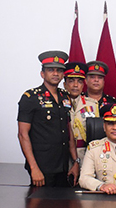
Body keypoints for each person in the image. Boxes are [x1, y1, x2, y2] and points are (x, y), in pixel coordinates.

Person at [17, 50, 79, 187]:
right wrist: (34, 168)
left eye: (59, 70)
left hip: (63, 165)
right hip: (42, 166)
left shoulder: (65, 96)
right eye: (51, 70)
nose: (55, 73)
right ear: (42, 73)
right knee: (40, 200)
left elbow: (69, 130)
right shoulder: (31, 97)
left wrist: (76, 162)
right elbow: (22, 134)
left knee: (64, 200)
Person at [64, 62, 91, 163]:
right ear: (65, 84)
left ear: (83, 85)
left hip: (86, 155)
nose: (75, 85)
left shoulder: (92, 105)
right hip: (63, 154)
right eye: (71, 81)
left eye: (79, 81)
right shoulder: (58, 103)